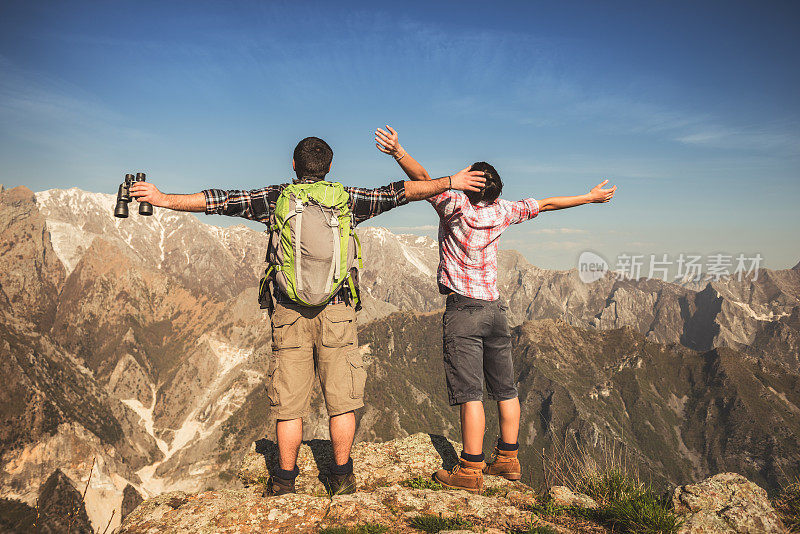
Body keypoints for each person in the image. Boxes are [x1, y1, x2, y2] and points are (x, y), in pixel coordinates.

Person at [129, 135, 486, 496]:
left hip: (289, 313)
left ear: (294, 166)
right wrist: (449, 183)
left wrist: (160, 199)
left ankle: (284, 480)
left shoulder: (275, 198)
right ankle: (342, 476)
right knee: (342, 400)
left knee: (290, 405)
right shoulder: (348, 199)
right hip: (338, 312)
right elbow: (400, 192)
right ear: (330, 168)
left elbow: (218, 201)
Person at [375, 126, 616, 492]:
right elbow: (548, 203)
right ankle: (508, 460)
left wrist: (398, 152)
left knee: (470, 392)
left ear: (469, 185)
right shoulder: (504, 211)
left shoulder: (454, 205)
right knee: (506, 388)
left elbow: (424, 180)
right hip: (496, 310)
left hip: (463, 310)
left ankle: (470, 470)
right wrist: (589, 197)